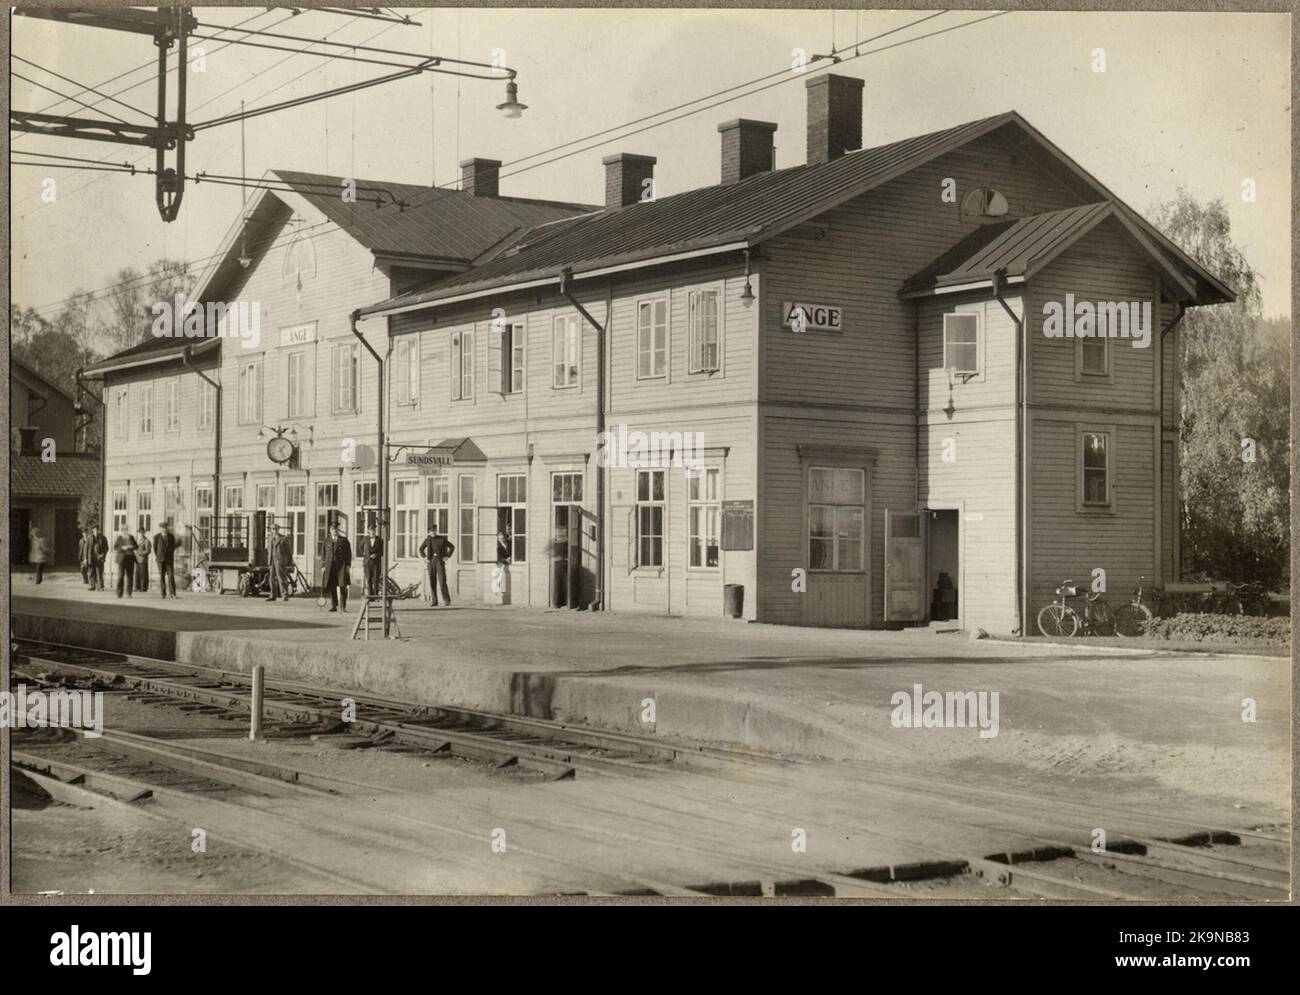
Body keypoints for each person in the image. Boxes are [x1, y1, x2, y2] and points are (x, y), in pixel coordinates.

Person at [418, 526, 455, 607]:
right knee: (432, 582)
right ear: (429, 532)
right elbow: (421, 549)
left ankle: (447, 600)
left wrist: (447, 556)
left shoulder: (442, 539)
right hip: (430, 562)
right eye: (431, 531)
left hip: (439, 562)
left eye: (434, 531)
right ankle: (434, 601)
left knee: (442, 581)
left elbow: (452, 547)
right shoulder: (427, 540)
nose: (433, 532)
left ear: (436, 530)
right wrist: (424, 558)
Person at [320, 522, 352, 612]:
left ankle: (343, 606)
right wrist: (323, 566)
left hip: (341, 566)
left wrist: (348, 565)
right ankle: (334, 606)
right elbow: (323, 554)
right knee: (332, 586)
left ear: (338, 530)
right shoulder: (326, 541)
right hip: (330, 567)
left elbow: (349, 554)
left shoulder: (344, 540)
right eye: (333, 529)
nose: (335, 531)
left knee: (343, 586)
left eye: (336, 529)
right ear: (330, 530)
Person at [267, 523, 292, 602]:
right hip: (271, 560)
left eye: (276, 529)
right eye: (273, 529)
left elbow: (288, 551)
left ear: (278, 529)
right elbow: (269, 550)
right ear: (271, 530)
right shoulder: (270, 538)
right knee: (271, 578)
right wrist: (269, 560)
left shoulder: (283, 539)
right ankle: (272, 595)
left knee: (281, 577)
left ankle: (284, 595)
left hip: (280, 560)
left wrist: (289, 562)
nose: (274, 531)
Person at [153, 522, 179, 599]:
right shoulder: (156, 537)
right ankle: (163, 594)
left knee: (171, 576)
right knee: (161, 576)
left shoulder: (171, 537)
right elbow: (155, 549)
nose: (164, 529)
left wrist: (169, 555)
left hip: (169, 560)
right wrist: (159, 556)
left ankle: (172, 593)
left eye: (165, 528)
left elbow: (173, 547)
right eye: (162, 528)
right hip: (160, 560)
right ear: (160, 529)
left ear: (167, 528)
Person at [113, 530, 138, 598]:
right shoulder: (119, 538)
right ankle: (119, 593)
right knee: (121, 576)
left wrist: (131, 546)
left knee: (130, 576)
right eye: (124, 530)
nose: (125, 531)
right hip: (122, 559)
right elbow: (115, 547)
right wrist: (122, 547)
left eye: (126, 530)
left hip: (130, 558)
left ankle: (129, 593)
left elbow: (136, 546)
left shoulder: (131, 537)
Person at [363, 524, 384, 596]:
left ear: (375, 531)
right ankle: (370, 596)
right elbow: (360, 546)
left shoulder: (379, 540)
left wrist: (376, 555)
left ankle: (375, 596)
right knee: (368, 579)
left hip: (376, 563)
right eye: (371, 530)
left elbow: (382, 551)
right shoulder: (365, 539)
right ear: (368, 531)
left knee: (376, 580)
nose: (372, 532)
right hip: (367, 563)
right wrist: (365, 554)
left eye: (374, 530)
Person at [89, 526, 109, 590]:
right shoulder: (90, 538)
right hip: (91, 557)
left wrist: (103, 554)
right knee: (91, 572)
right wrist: (85, 558)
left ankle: (100, 586)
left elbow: (106, 548)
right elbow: (86, 548)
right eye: (95, 530)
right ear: (92, 530)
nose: (96, 531)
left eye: (97, 530)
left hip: (99, 558)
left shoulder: (103, 538)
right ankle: (92, 586)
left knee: (99, 572)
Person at [133, 526, 151, 592]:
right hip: (137, 559)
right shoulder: (138, 541)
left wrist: (140, 553)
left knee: (143, 574)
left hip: (143, 560)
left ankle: (143, 588)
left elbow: (148, 551)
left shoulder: (146, 541)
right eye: (139, 532)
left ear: (144, 532)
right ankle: (137, 587)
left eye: (142, 532)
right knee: (137, 573)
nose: (140, 534)